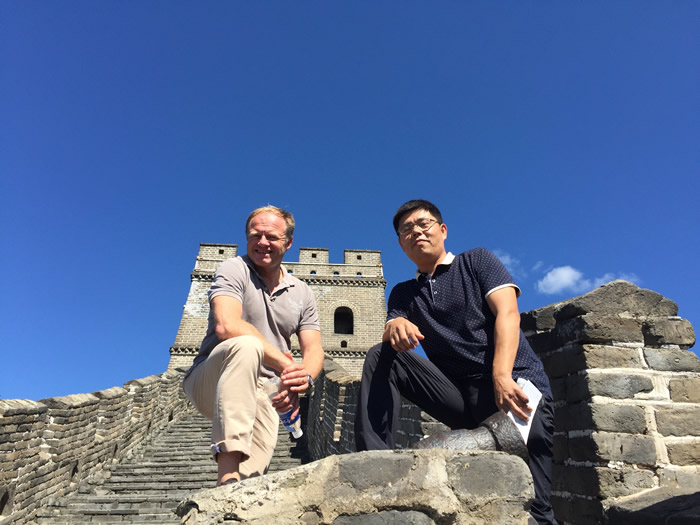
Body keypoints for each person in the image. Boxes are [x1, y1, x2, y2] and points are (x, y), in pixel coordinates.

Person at [355, 199, 556, 524]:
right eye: (406, 230)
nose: (416, 232)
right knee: (382, 354)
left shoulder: (476, 261)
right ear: (401, 244)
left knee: (533, 509)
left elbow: (508, 313)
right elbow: (393, 325)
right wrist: (395, 324)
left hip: (515, 387)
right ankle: (374, 463)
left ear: (443, 230)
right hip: (462, 398)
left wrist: (502, 374)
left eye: (423, 224)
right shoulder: (404, 293)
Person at [183, 205, 324, 486]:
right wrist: (287, 366)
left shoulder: (302, 292)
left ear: (288, 242)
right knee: (246, 345)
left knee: (250, 484)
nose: (262, 242)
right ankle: (227, 474)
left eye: (271, 236)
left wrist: (302, 378)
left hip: (265, 392)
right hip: (213, 377)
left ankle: (231, 494)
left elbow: (314, 348)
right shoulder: (233, 268)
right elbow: (227, 326)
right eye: (255, 235)